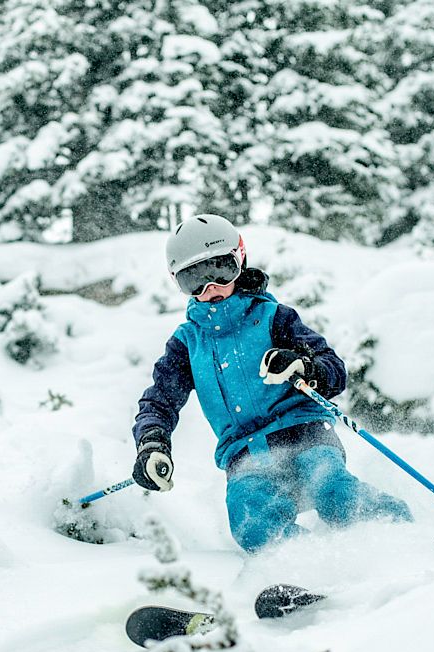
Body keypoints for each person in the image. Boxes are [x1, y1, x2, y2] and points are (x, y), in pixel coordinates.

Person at [132, 214, 412, 553]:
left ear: (240, 260)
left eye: (220, 270)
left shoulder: (275, 318)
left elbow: (334, 370)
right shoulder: (187, 343)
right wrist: (152, 444)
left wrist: (302, 365)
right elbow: (159, 401)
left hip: (305, 433)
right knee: (251, 520)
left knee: (332, 491)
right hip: (246, 454)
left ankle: (402, 536)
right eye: (194, 279)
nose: (211, 289)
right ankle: (309, 567)